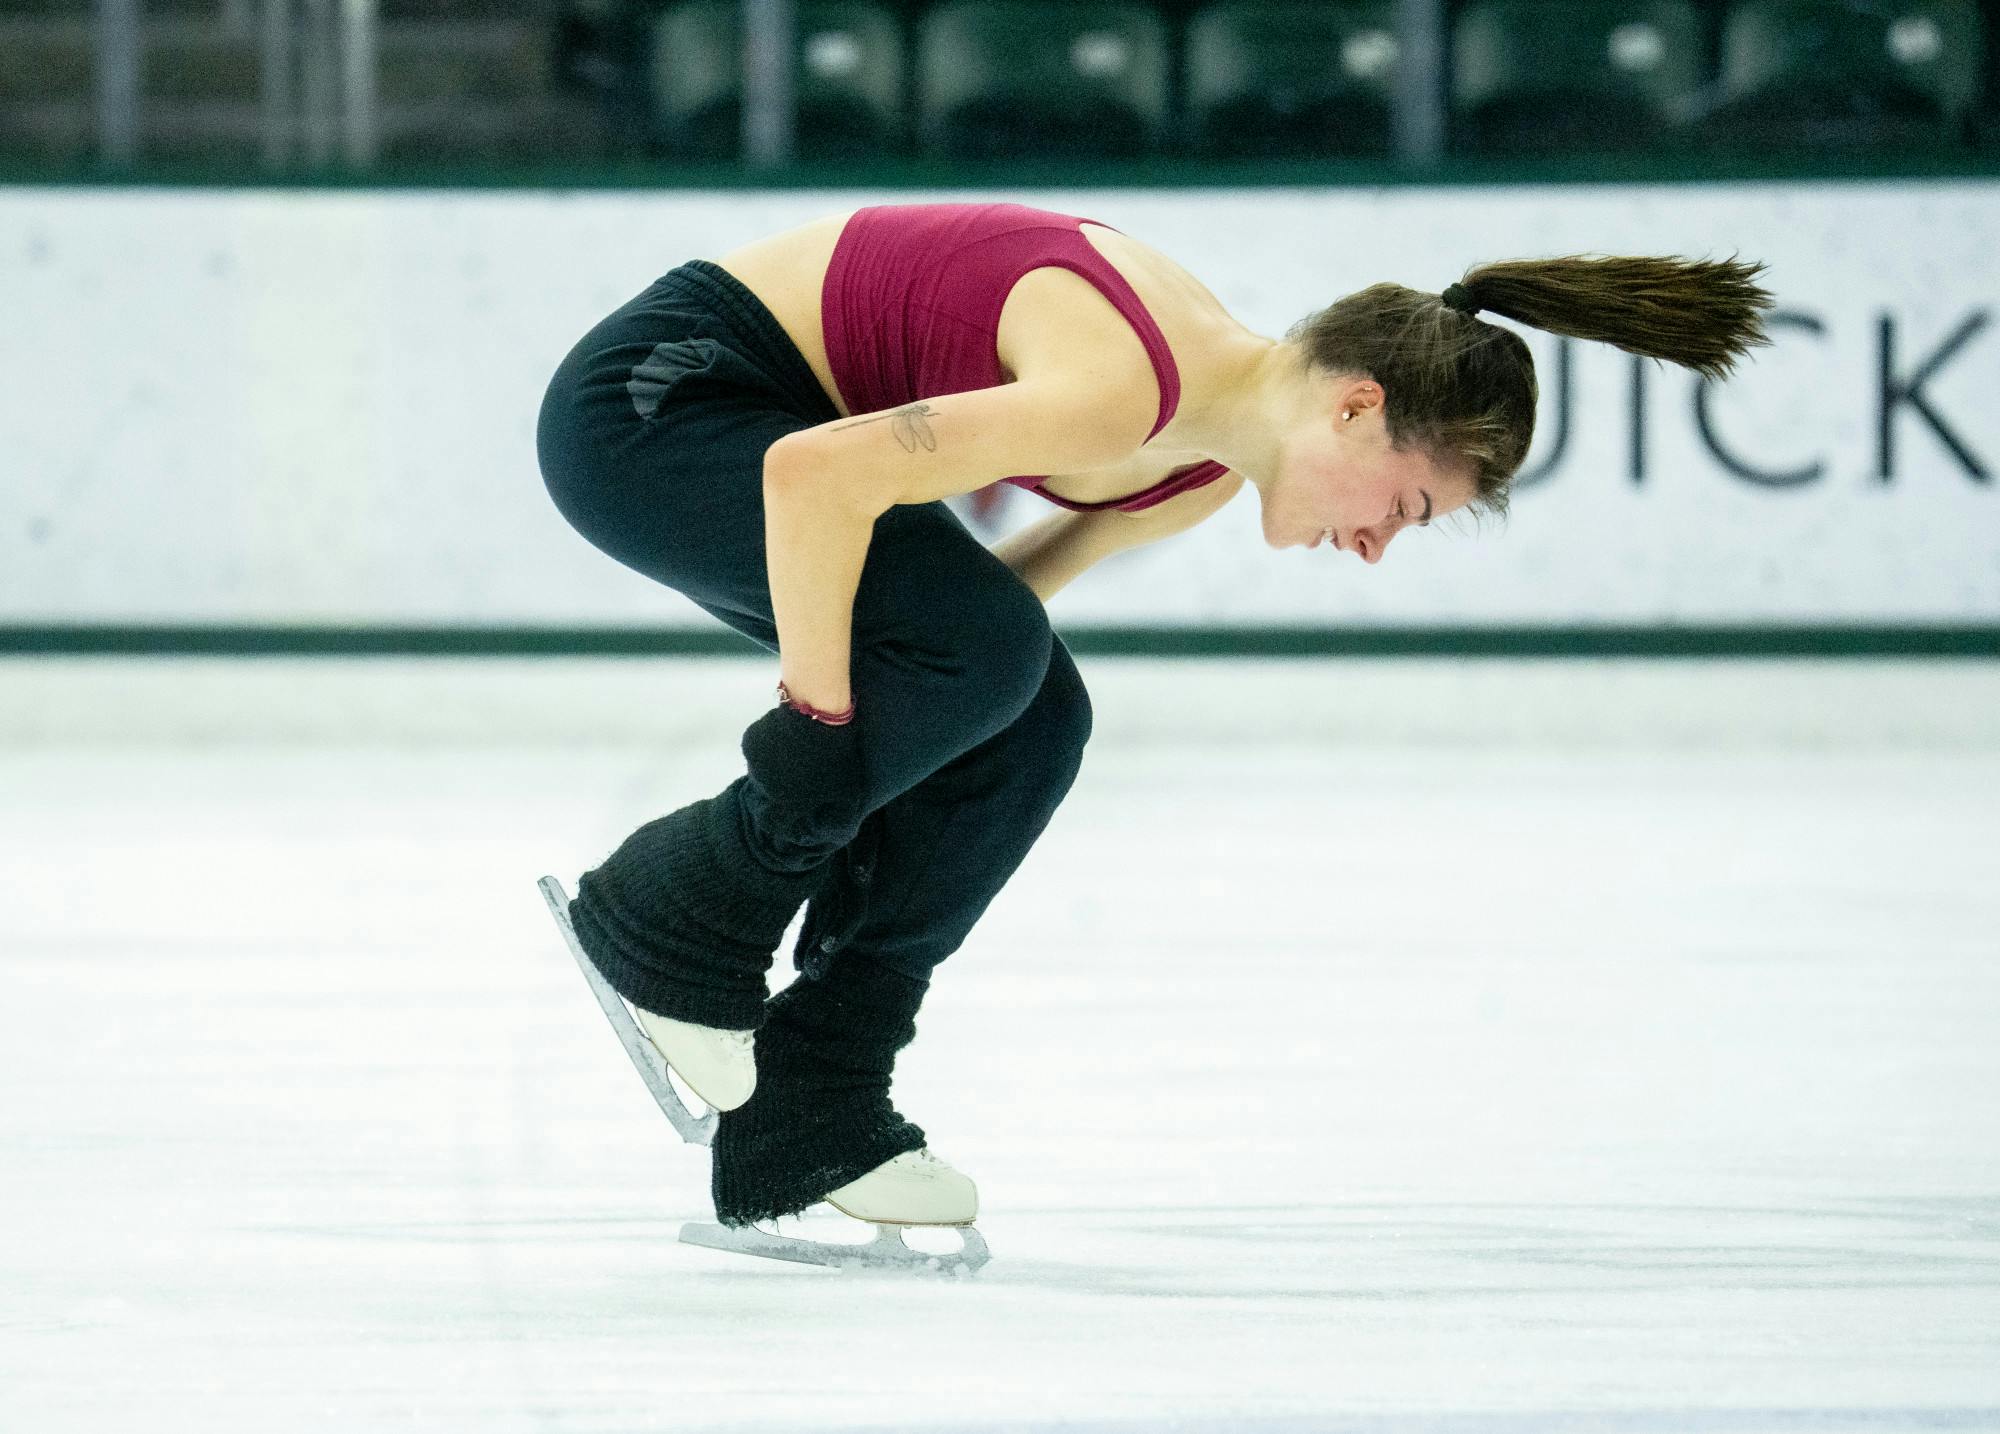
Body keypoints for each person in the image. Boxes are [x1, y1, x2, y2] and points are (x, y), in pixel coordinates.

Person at [534, 201, 1774, 1234]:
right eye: (1401, 504)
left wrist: (871, 753)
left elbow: (974, 663)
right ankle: (673, 915)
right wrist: (808, 743)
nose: (1376, 547)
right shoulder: (1120, 387)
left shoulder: (1190, 468)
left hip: (770, 434)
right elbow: (813, 475)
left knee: (1036, 715)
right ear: (1351, 407)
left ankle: (815, 1097)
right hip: (658, 401)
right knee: (987, 658)